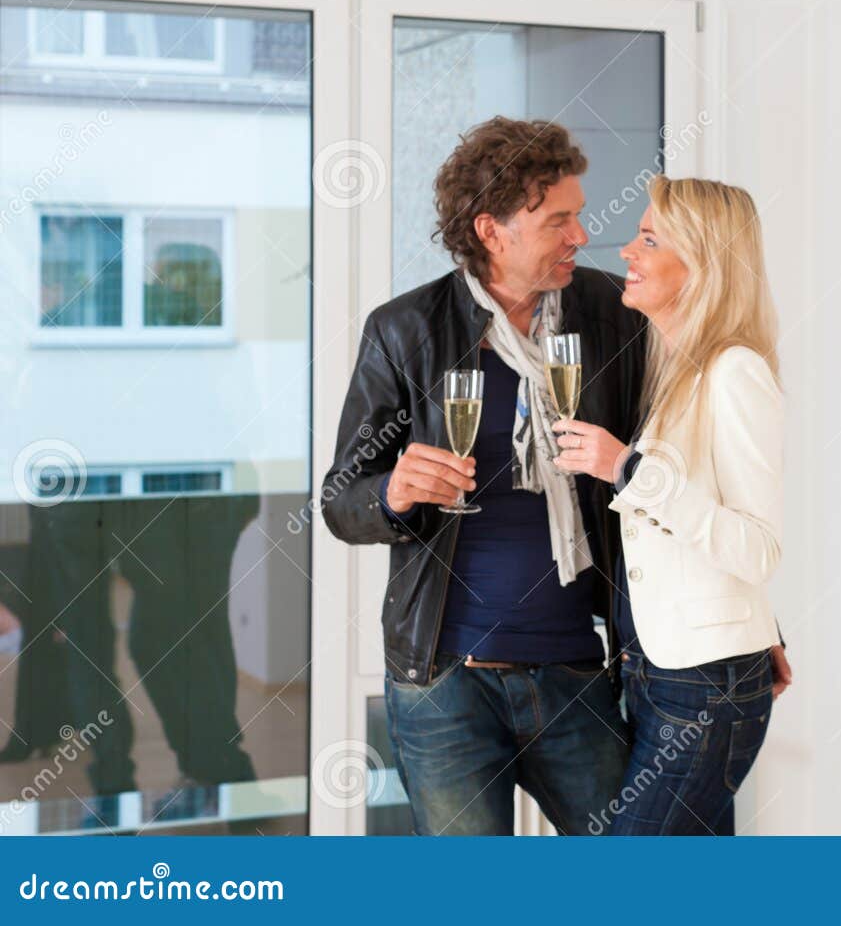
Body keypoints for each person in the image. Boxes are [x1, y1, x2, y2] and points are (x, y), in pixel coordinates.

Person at [320, 116, 643, 835]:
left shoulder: (612, 315)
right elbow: (342, 499)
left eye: (578, 215)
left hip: (577, 668)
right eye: (558, 219)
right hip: (445, 684)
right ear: (491, 228)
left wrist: (750, 624)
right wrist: (392, 492)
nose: (580, 235)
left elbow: (676, 470)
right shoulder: (407, 330)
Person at [553, 176, 788, 835]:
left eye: (650, 238)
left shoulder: (736, 372)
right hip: (658, 675)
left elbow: (759, 545)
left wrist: (627, 469)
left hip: (702, 690)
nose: (627, 249)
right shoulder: (675, 368)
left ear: (703, 265)